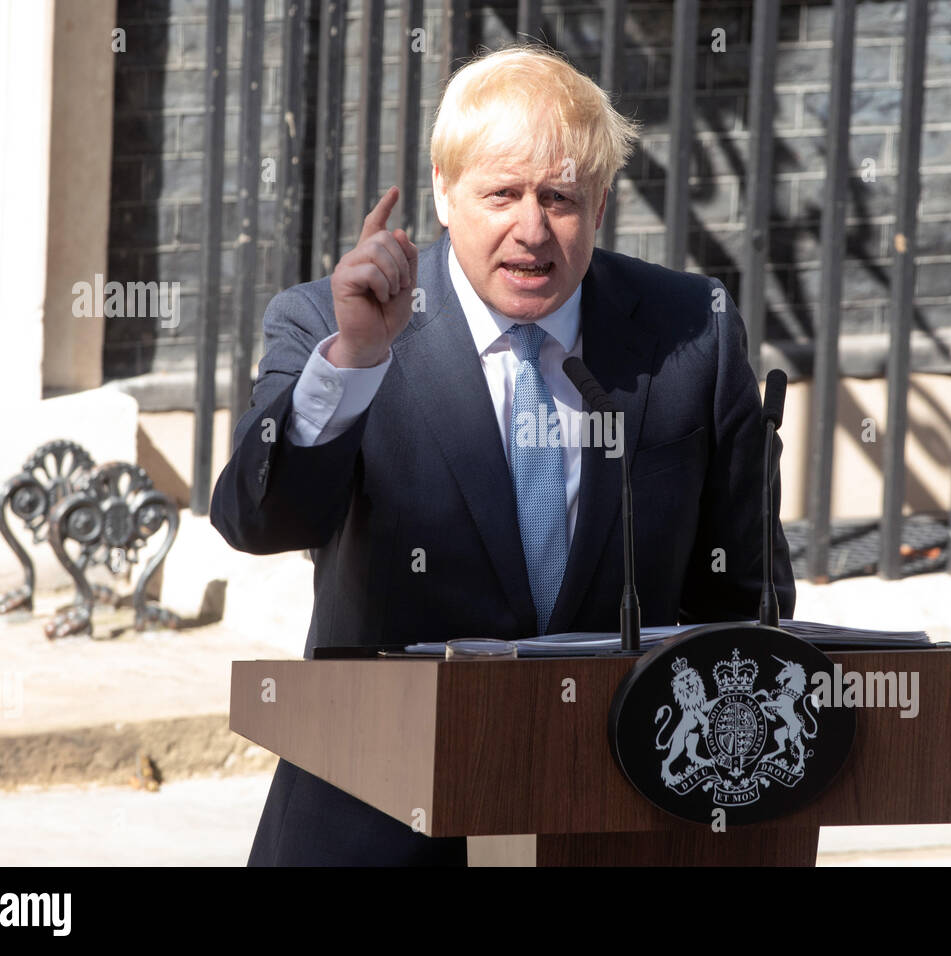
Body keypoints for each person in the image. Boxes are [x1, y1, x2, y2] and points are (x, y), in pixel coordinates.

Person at [210, 45, 796, 866]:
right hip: (380, 816)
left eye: (560, 198)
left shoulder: (689, 329)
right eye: (502, 194)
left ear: (600, 205)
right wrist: (354, 362)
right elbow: (256, 518)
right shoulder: (331, 324)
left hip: (616, 819)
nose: (532, 229)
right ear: (445, 195)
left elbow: (744, 602)